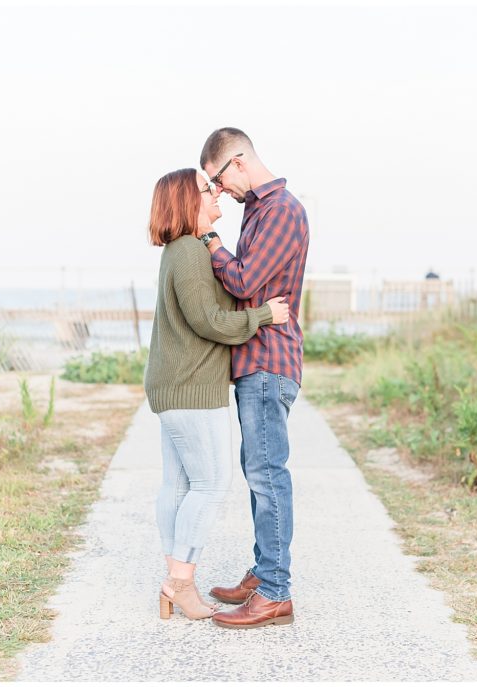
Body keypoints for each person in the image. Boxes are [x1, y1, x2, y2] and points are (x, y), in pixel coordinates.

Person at [144, 168, 290, 621]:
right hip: (191, 387)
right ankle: (180, 583)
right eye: (208, 189)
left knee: (180, 485)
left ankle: (175, 582)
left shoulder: (181, 250)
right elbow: (207, 320)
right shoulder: (187, 251)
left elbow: (207, 310)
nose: (217, 194)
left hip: (177, 384)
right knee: (210, 484)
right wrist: (263, 315)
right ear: (188, 199)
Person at [197, 128, 310, 629]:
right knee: (258, 473)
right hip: (256, 362)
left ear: (239, 162)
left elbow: (244, 281)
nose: (219, 191)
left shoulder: (282, 210)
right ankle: (264, 572)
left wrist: (211, 240)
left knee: (267, 476)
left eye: (218, 179)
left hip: (269, 360)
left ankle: (274, 591)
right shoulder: (260, 210)